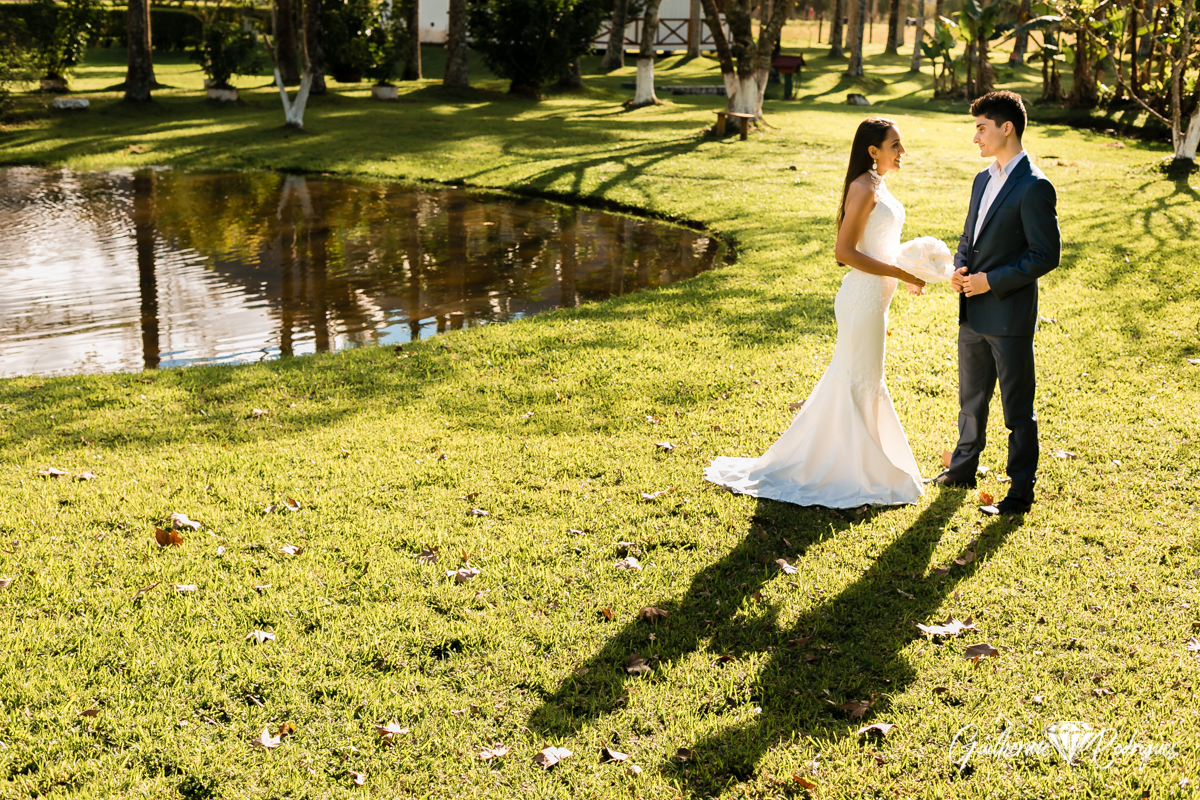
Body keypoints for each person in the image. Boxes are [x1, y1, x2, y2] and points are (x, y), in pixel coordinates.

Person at [704, 118, 929, 508]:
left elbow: (877, 243)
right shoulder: (862, 188)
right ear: (873, 151)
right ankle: (847, 470)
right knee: (857, 381)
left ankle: (863, 462)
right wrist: (898, 271)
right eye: (895, 145)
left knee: (864, 379)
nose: (902, 152)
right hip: (861, 301)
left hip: (876, 300)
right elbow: (844, 254)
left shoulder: (878, 185)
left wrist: (915, 264)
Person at [932, 91, 1061, 515]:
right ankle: (963, 469)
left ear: (1007, 128)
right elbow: (969, 237)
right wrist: (960, 266)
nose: (976, 138)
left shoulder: (1035, 186)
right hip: (971, 311)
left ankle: (1019, 493)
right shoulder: (982, 179)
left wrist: (992, 281)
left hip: (1008, 316)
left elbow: (1046, 255)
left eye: (981, 128)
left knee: (1017, 411)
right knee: (970, 401)